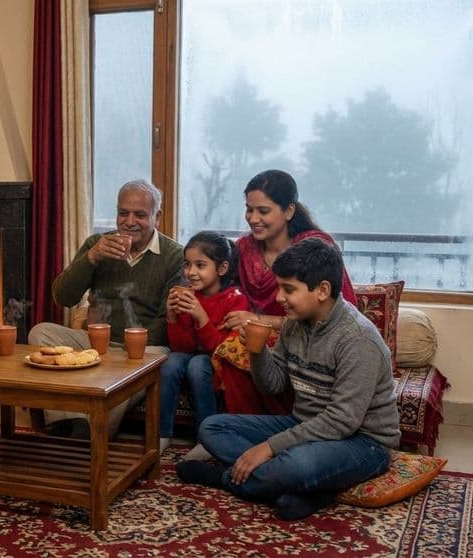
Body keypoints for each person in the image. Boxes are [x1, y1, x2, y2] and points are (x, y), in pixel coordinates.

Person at [176, 238, 400, 520]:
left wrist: (268, 448)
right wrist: (258, 351)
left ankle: (226, 478)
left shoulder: (357, 339)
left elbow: (343, 421)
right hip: (304, 425)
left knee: (299, 463)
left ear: (322, 290)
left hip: (363, 442)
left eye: (289, 289)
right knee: (212, 428)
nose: (279, 298)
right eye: (279, 287)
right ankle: (306, 487)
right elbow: (273, 385)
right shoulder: (295, 324)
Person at [28, 178, 184, 439]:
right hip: (95, 341)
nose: (129, 222)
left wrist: (122, 353)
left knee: (153, 361)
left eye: (140, 215)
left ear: (157, 217)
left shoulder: (175, 256)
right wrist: (91, 258)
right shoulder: (96, 244)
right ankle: (68, 421)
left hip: (144, 348)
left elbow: (167, 321)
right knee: (40, 332)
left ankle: (92, 431)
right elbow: (63, 297)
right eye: (123, 213)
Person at [218, 169, 357, 416]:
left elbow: (333, 314)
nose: (253, 218)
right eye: (249, 209)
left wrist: (260, 320)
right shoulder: (243, 249)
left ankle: (276, 428)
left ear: (289, 211)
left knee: (243, 344)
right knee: (234, 343)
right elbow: (219, 286)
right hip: (255, 333)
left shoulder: (314, 248)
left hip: (309, 337)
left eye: (263, 211)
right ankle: (245, 426)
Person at [161, 231, 247, 458]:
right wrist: (172, 316)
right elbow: (182, 347)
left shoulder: (236, 299)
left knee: (198, 363)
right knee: (170, 361)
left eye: (200, 265)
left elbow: (222, 350)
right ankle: (161, 433)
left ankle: (208, 438)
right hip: (192, 356)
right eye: (187, 264)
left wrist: (201, 317)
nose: (190, 272)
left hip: (219, 362)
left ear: (222, 268)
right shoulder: (189, 295)